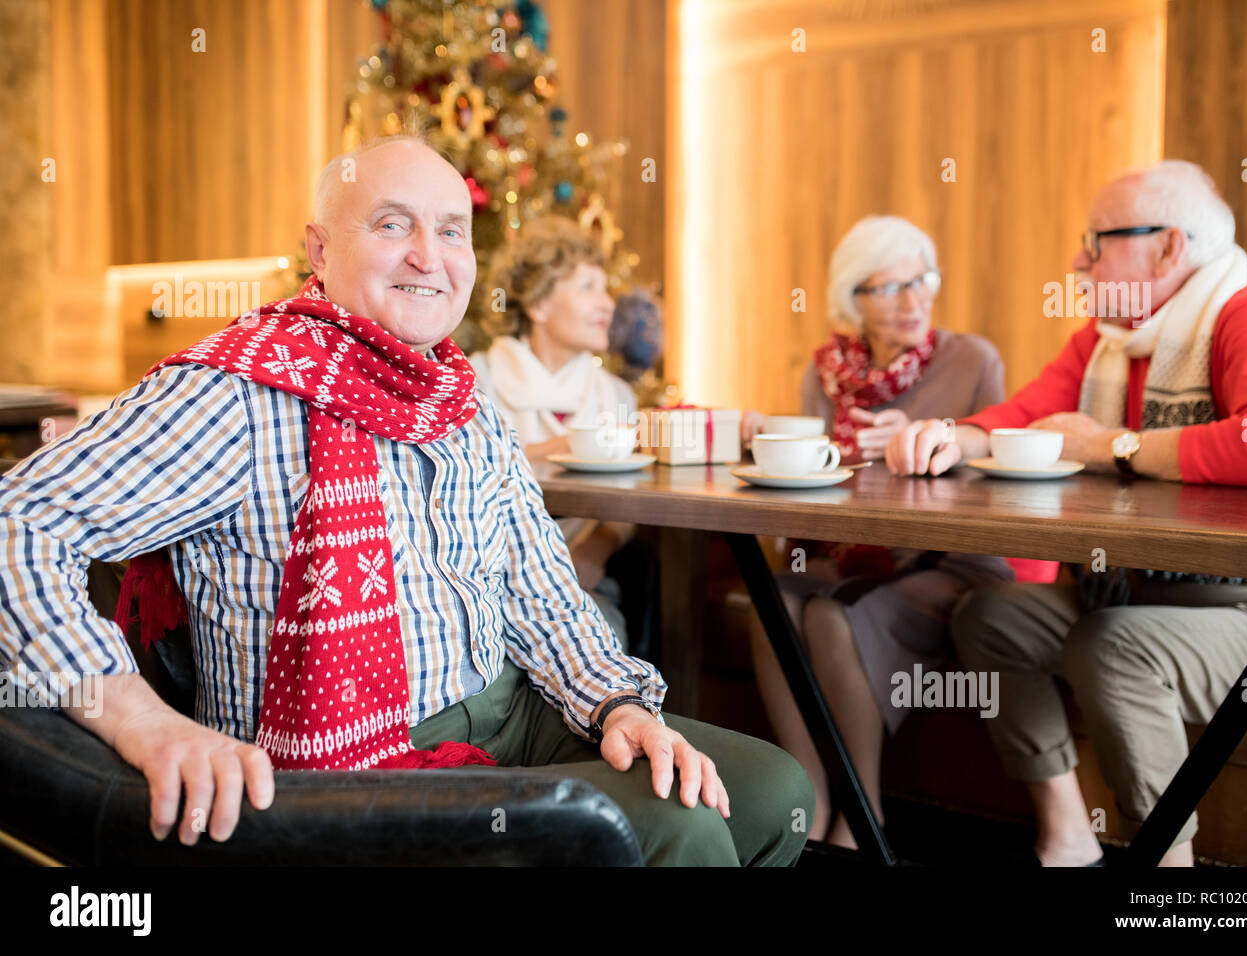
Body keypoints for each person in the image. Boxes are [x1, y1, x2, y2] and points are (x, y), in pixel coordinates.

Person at [0, 136, 813, 866]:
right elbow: (17, 525)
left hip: (511, 707)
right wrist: (142, 722)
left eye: (451, 230)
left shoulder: (462, 395)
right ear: (318, 248)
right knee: (682, 829)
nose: (429, 255)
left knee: (776, 793)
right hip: (341, 761)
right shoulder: (233, 391)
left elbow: (538, 589)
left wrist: (616, 704)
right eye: (392, 225)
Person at [887, 159, 1247, 866]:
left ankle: (1171, 883)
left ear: (1170, 247)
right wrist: (956, 435)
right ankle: (1070, 839)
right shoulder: (1104, 342)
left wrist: (1117, 446)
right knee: (992, 618)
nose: (1078, 260)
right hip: (1137, 596)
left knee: (1108, 643)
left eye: (1097, 240)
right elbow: (1027, 415)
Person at [743, 215, 1051, 849]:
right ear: (852, 300)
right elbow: (812, 486)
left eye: (922, 281)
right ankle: (814, 798)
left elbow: (998, 481)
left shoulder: (971, 359)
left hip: (957, 561)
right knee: (769, 598)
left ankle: (863, 814)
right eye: (889, 288)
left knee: (831, 617)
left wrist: (924, 446)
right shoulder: (826, 372)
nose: (913, 302)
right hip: (855, 559)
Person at [470, 216, 639, 648]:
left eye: (606, 288)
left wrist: (594, 550)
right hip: (483, 583)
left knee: (602, 641)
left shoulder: (617, 395)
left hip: (579, 582)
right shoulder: (477, 381)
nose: (607, 303)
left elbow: (630, 508)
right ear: (538, 303)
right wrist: (568, 446)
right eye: (587, 288)